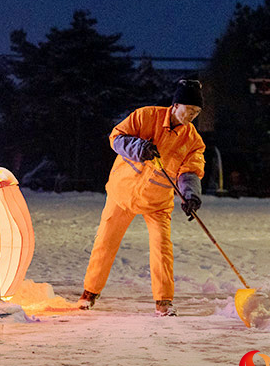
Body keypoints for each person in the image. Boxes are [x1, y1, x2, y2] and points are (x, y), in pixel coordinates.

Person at [79, 79, 206, 316]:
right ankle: (89, 293)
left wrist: (191, 196)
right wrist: (139, 148)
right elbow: (116, 138)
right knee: (105, 243)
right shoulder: (146, 116)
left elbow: (190, 171)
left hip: (157, 202)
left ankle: (164, 302)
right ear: (175, 105)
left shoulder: (193, 141)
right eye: (189, 110)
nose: (191, 116)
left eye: (196, 112)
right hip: (122, 193)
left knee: (162, 248)